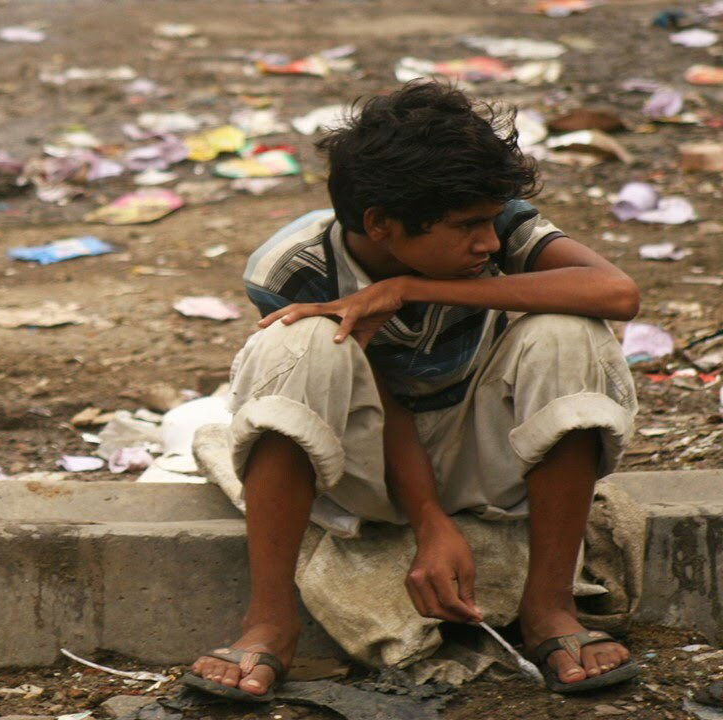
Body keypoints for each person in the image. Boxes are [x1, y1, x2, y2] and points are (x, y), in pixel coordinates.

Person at [182, 81, 641, 701]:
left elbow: (616, 293)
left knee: (569, 332)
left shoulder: (495, 223)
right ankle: (268, 624)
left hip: (488, 456)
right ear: (381, 224)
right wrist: (428, 521)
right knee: (295, 342)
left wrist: (414, 289)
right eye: (467, 227)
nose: (487, 242)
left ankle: (550, 612)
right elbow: (381, 402)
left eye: (490, 222)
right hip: (362, 468)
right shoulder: (295, 266)